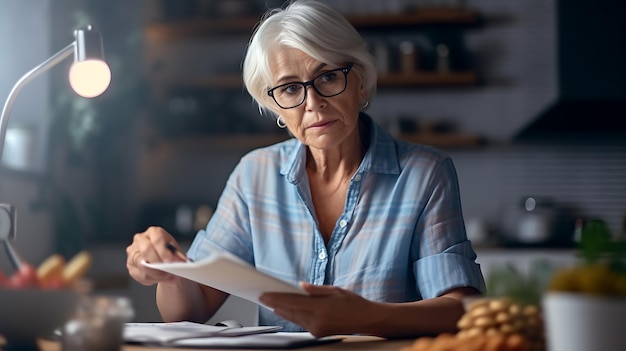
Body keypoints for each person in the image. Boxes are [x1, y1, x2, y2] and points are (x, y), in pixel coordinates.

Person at [126, 0, 485, 338]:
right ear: (274, 105)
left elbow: (462, 309)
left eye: (328, 77)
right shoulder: (255, 175)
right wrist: (169, 272)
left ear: (359, 80)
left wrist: (365, 316)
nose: (313, 104)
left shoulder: (425, 173)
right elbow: (189, 311)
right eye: (290, 88)